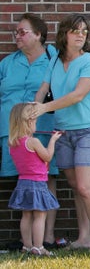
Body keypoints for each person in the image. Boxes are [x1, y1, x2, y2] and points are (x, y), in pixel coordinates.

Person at [32, 14, 90, 253]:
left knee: (86, 187)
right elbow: (43, 89)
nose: (80, 35)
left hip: (88, 130)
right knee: (77, 187)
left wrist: (44, 108)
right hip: (62, 132)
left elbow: (77, 96)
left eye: (84, 32)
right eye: (76, 31)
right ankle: (84, 238)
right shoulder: (54, 61)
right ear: (64, 34)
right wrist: (33, 110)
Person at [0, 13, 65, 250]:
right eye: (15, 32)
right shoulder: (7, 63)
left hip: (44, 129)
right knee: (23, 178)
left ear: (39, 35)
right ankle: (28, 241)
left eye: (22, 31)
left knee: (47, 177)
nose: (17, 36)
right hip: (12, 132)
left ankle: (46, 237)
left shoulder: (54, 59)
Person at [7, 103, 63, 256]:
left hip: (23, 183)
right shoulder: (33, 142)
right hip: (37, 184)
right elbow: (47, 156)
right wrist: (52, 140)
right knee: (40, 215)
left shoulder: (13, 143)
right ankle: (38, 247)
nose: (36, 125)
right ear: (29, 122)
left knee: (26, 215)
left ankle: (27, 245)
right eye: (35, 122)